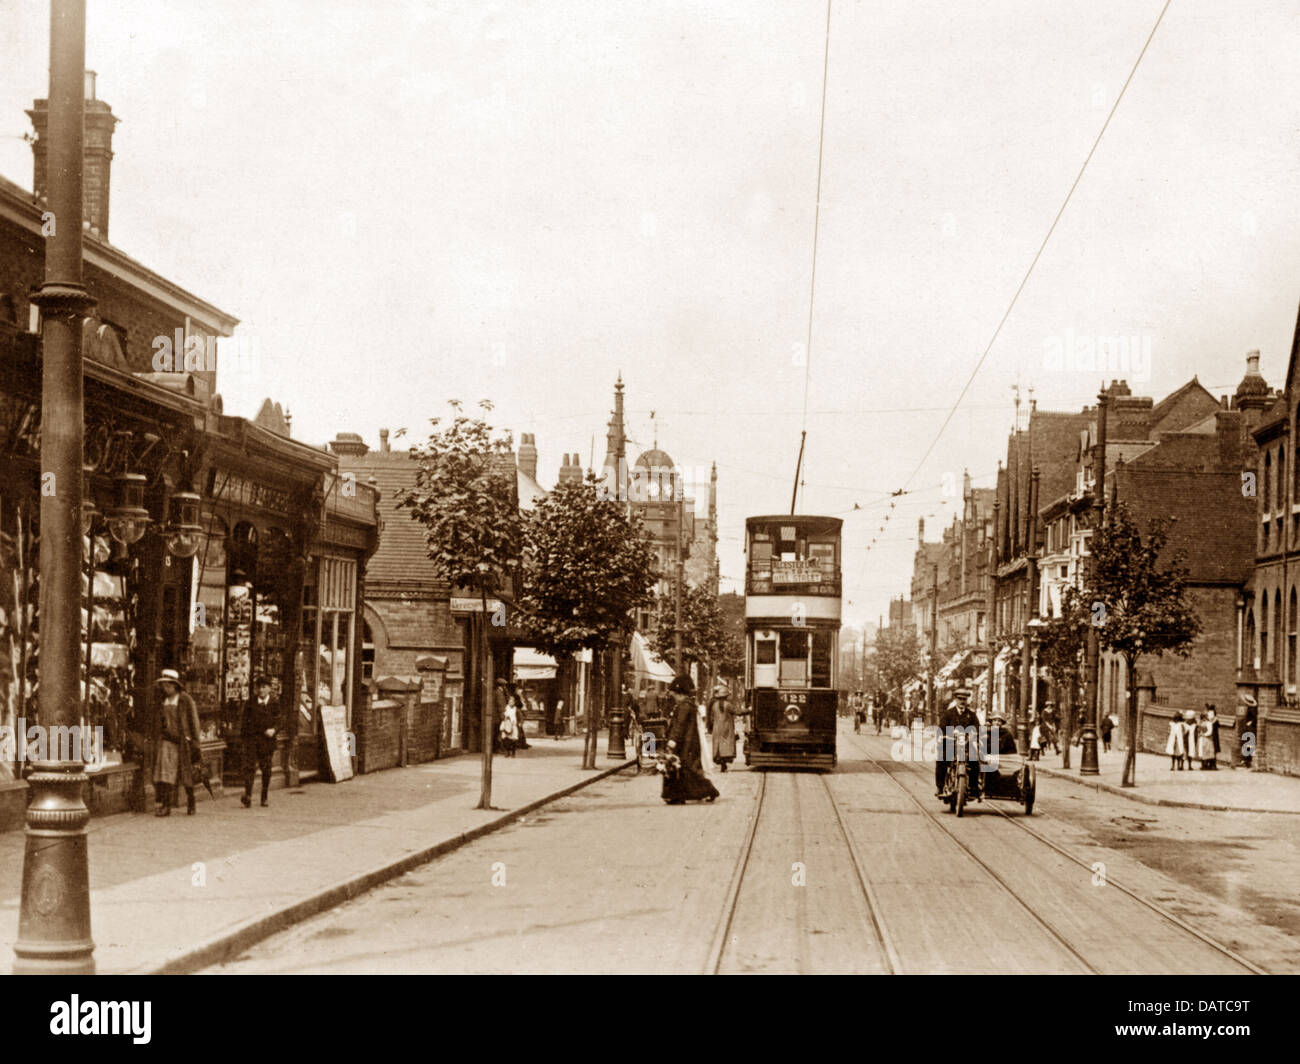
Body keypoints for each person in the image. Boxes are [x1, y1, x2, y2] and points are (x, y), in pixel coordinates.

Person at [661, 674, 719, 804]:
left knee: (687, 769)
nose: (674, 697)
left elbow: (679, 725)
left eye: (674, 694)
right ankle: (677, 796)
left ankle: (709, 790)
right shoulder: (687, 705)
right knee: (680, 769)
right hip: (688, 742)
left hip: (685, 744)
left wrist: (673, 740)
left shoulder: (684, 707)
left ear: (680, 693)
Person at [153, 669, 201, 817]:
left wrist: (195, 742)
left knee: (186, 774)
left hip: (183, 742)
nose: (166, 689)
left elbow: (194, 721)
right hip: (167, 741)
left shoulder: (185, 699)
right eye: (164, 686)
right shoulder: (164, 700)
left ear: (175, 686)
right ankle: (167, 806)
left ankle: (191, 802)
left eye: (168, 686)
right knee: (166, 775)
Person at [240, 674, 281, 808]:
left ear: (269, 688)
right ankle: (248, 795)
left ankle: (264, 796)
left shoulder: (274, 703)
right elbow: (245, 722)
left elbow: (280, 721)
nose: (261, 690)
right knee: (250, 768)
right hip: (252, 740)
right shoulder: (250, 703)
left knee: (266, 769)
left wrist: (274, 730)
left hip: (267, 742)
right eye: (259, 687)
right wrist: (245, 740)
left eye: (264, 687)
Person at [935, 687, 978, 796]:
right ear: (955, 699)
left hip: (966, 746)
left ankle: (973, 787)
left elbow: (977, 728)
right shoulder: (948, 714)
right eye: (960, 699)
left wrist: (974, 735)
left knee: (975, 762)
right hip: (951, 745)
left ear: (967, 700)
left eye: (964, 699)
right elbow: (942, 728)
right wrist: (944, 736)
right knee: (941, 760)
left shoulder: (971, 715)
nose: (962, 701)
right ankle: (940, 787)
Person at [708, 679, 739, 772]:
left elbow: (711, 717)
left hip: (716, 728)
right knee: (726, 746)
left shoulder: (714, 705)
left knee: (718, 747)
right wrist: (749, 710)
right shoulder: (728, 705)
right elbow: (738, 712)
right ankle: (724, 764)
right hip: (727, 728)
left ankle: (722, 764)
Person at [1239, 696, 1257, 769]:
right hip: (1248, 729)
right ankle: (1246, 760)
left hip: (1249, 730)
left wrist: (1250, 723)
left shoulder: (1252, 709)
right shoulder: (1251, 708)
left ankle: (1247, 761)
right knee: (1247, 744)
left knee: (1248, 745)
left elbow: (1255, 718)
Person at [1205, 704, 1220, 770]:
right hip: (1213, 736)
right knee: (1212, 750)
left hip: (1212, 736)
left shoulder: (1211, 720)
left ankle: (1211, 764)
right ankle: (1212, 764)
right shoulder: (1215, 719)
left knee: (1211, 750)